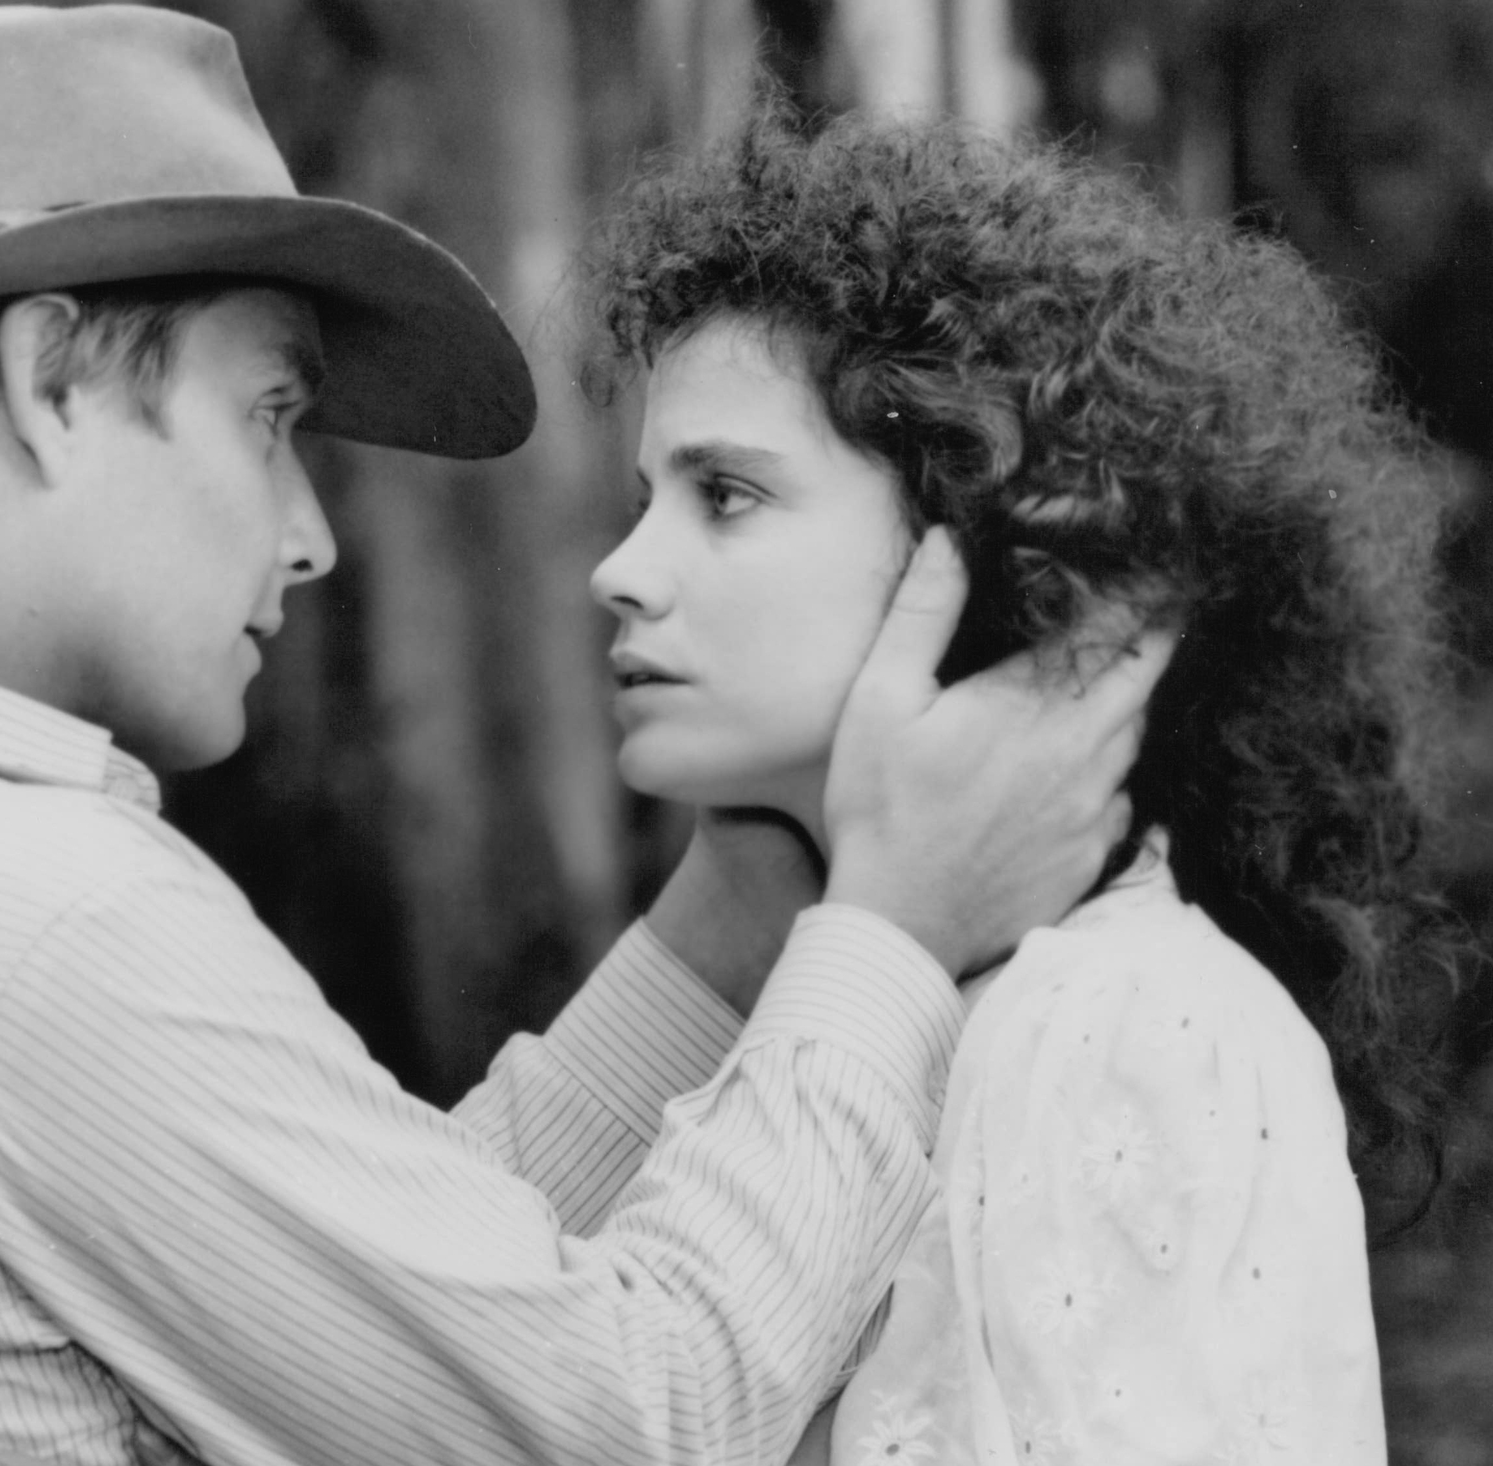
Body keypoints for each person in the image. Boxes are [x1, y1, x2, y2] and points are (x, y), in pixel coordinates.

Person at [0, 11, 1165, 1466]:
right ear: (49, 376)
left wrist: (723, 934)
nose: (311, 534)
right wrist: (885, 933)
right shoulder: (18, 927)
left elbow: (359, 1301)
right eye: (270, 415)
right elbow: (626, 1421)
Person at [580, 99, 1476, 1466]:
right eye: (645, 495)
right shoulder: (823, 990)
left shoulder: (1127, 1018)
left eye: (727, 494)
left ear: (981, 532)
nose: (622, 569)